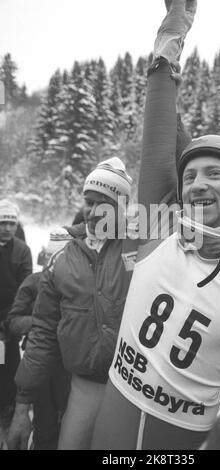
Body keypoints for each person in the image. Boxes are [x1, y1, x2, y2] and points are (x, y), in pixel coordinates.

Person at [91, 0, 220, 450]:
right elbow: (157, 123)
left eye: (215, 174)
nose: (197, 184)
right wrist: (174, 28)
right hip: (110, 430)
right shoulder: (157, 226)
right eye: (190, 175)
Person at [7, 157, 139, 450]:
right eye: (88, 202)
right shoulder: (63, 259)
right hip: (84, 385)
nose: (93, 212)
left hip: (134, 389)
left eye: (104, 202)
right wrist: (21, 406)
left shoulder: (141, 247)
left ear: (123, 206)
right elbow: (42, 334)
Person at [6, 228, 73, 449]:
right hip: (38, 363)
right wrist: (40, 323)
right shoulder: (32, 282)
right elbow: (13, 321)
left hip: (68, 365)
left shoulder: (77, 286)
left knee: (68, 421)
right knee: (44, 422)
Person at [0, 199, 32, 427]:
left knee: (9, 362)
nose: (7, 228)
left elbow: (25, 289)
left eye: (11, 223)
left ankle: (8, 404)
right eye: (3, 222)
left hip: (9, 317)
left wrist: (10, 320)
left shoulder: (22, 249)